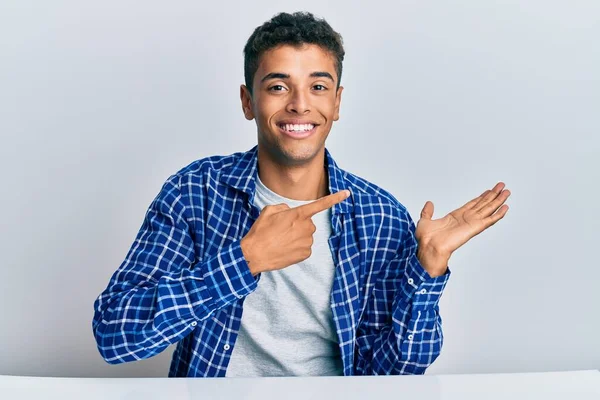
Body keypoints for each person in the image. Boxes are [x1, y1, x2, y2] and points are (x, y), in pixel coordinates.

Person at [92, 11, 510, 378]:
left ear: (337, 101)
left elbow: (393, 374)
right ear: (247, 101)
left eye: (317, 87)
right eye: (278, 86)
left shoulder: (379, 216)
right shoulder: (195, 193)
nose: (299, 105)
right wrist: (245, 260)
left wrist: (428, 270)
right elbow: (114, 336)